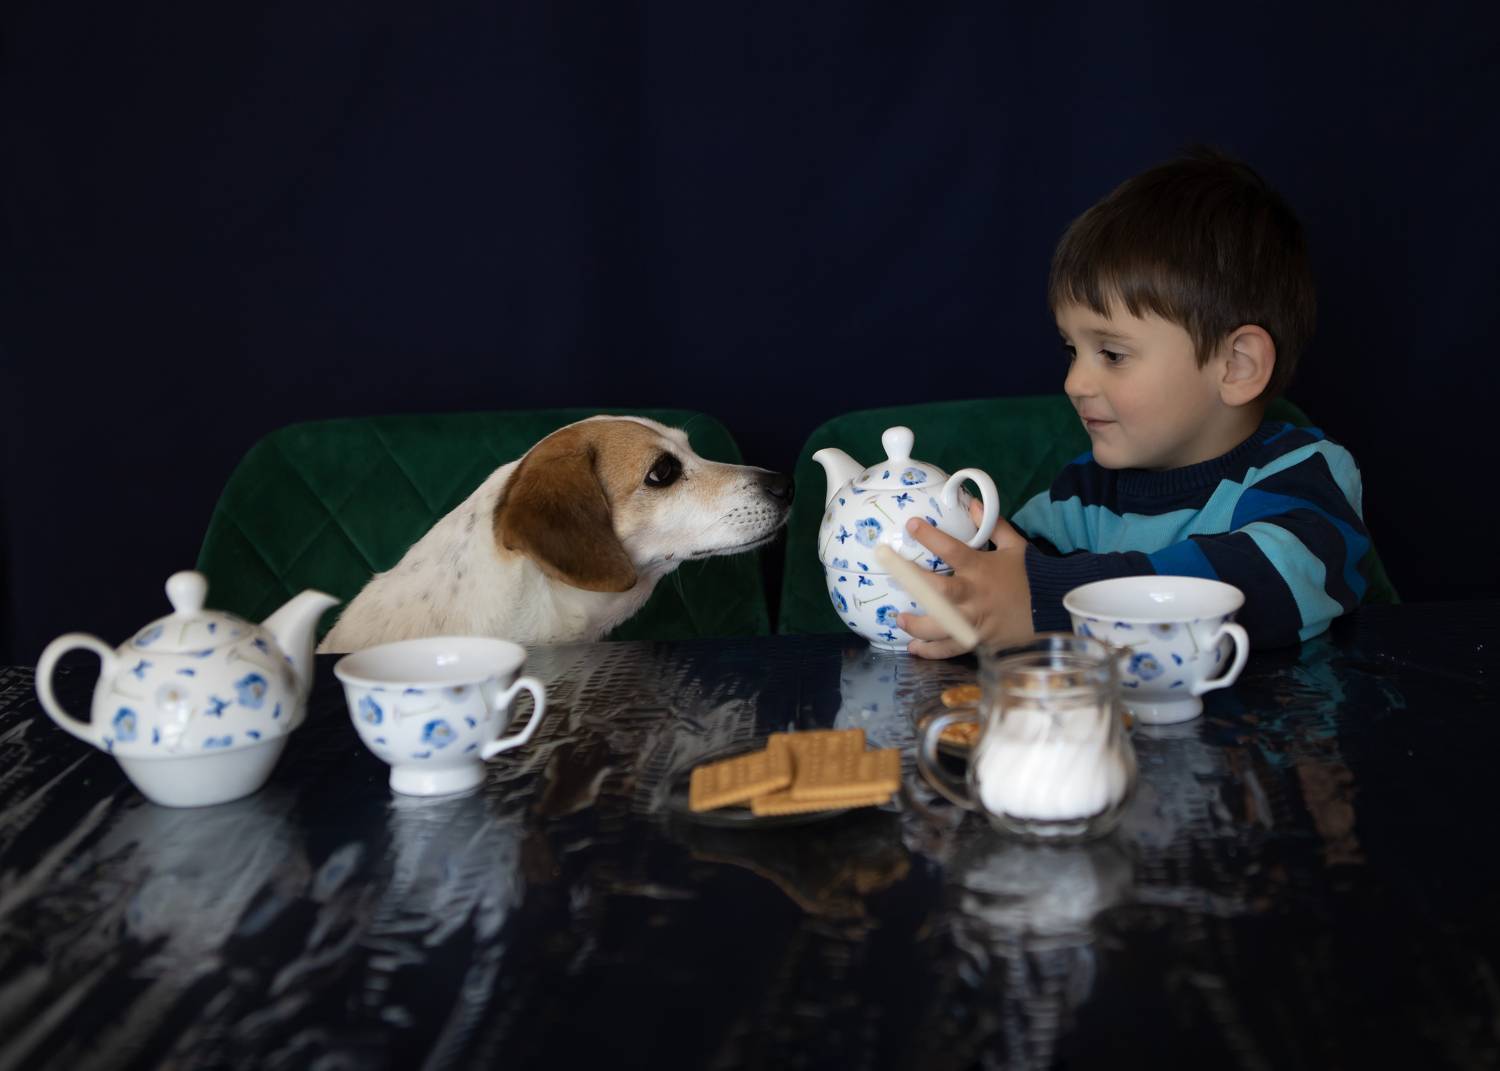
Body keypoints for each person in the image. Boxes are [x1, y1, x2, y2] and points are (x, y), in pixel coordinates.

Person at [899, 148, 1372, 658]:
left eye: (1112, 354)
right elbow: (1004, 581)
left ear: (1236, 366)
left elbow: (1267, 581)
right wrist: (968, 595)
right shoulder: (1080, 498)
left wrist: (1049, 600)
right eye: (1072, 351)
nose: (1074, 382)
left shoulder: (1302, 475)